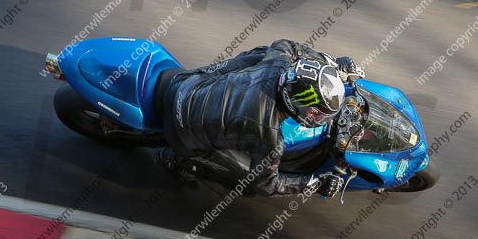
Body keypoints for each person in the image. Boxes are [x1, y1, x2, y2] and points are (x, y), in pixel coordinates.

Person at [155, 39, 364, 199]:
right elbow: (267, 185)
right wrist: (313, 182)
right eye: (316, 112)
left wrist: (332, 64)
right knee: (249, 182)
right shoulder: (268, 133)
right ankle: (178, 160)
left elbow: (287, 45)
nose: (320, 118)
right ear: (296, 103)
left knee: (261, 54)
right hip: (181, 131)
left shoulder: (279, 63)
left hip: (188, 83)